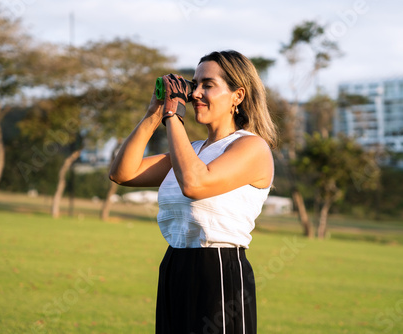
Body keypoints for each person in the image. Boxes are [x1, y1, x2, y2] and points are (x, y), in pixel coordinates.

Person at [109, 50, 277, 334]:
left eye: (207, 85)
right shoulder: (194, 150)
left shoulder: (252, 147)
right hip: (175, 264)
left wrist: (173, 115)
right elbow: (123, 173)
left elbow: (194, 184)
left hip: (218, 270)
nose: (195, 93)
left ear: (238, 95)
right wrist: (155, 112)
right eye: (193, 84)